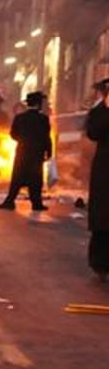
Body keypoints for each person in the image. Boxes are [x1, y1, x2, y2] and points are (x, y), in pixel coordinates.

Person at [0, 91, 52, 212]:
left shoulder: (20, 118)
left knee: (17, 177)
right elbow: (46, 137)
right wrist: (49, 152)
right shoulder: (43, 119)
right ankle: (36, 203)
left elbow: (13, 134)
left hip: (22, 152)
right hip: (37, 154)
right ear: (38, 104)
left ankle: (10, 201)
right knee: (36, 179)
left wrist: (22, 141)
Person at [85, 78, 109, 280]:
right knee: (103, 218)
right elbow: (93, 132)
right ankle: (100, 265)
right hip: (105, 169)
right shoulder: (99, 112)